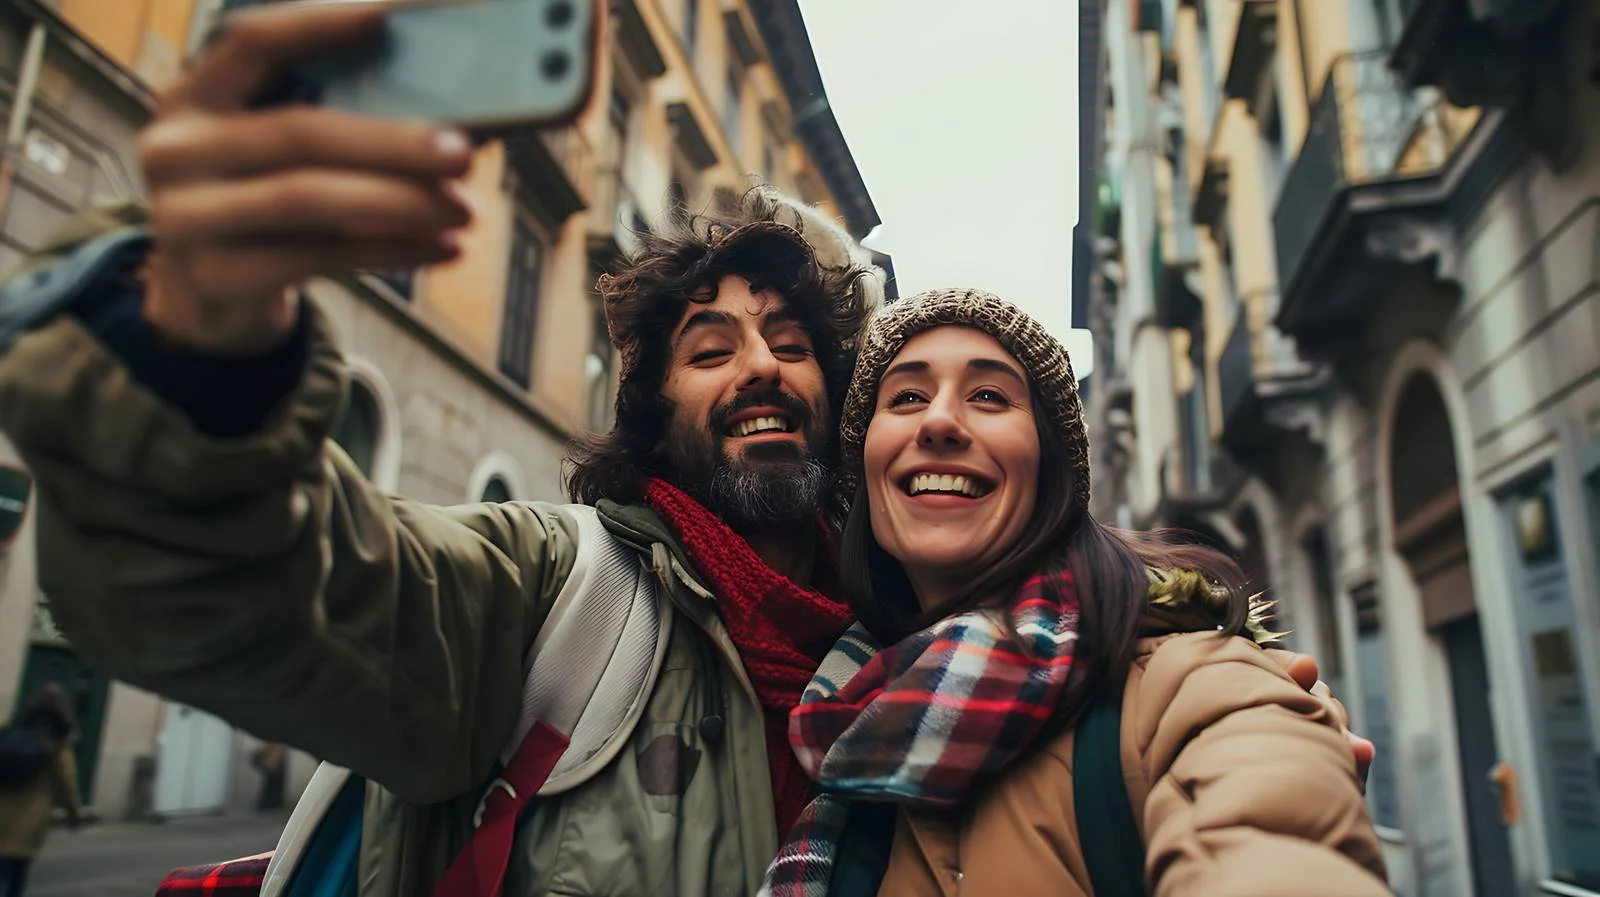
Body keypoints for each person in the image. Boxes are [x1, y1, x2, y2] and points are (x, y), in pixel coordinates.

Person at [0, 4, 1367, 895]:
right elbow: (249, 594)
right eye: (708, 348)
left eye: (791, 340)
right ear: (650, 407)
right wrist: (187, 356)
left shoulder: (946, 648)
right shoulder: (544, 597)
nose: (759, 366)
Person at [760, 288, 1389, 896]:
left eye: (988, 395)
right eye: (906, 397)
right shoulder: (838, 715)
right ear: (866, 464)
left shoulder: (1196, 685)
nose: (940, 420)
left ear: (1051, 466)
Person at [0, 685, 83, 897]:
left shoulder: (12, 729)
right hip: (30, 815)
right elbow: (67, 782)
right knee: (16, 874)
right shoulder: (57, 740)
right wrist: (73, 815)